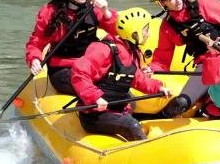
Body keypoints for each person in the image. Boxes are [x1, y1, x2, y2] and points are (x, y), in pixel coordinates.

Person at [71, 7, 171, 141]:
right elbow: (79, 72)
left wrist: (158, 87)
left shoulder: (131, 51)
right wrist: (95, 97)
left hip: (115, 107)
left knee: (132, 102)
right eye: (146, 30)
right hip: (94, 114)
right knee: (133, 125)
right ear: (135, 33)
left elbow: (137, 78)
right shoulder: (103, 49)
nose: (148, 34)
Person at [148, 0, 220, 117]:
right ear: (163, 3)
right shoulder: (168, 27)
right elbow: (162, 58)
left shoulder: (203, 2)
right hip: (207, 65)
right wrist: (152, 71)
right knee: (180, 103)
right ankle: (156, 121)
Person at [25, 0, 118, 95]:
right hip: (63, 69)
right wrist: (34, 59)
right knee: (97, 89)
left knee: (117, 87)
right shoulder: (50, 13)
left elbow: (117, 30)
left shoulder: (94, 9)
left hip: (90, 65)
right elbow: (36, 43)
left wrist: (106, 11)